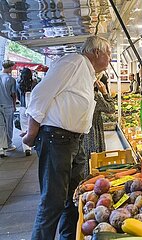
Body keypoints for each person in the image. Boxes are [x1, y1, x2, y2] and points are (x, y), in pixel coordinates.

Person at [22, 35, 111, 240]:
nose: (109, 58)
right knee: (52, 202)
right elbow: (40, 95)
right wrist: (31, 133)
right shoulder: (73, 62)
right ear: (96, 52)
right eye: (109, 53)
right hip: (57, 140)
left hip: (74, 141)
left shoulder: (88, 73)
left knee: (73, 199)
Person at [83, 73, 115, 175]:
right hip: (92, 131)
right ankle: (91, 180)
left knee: (84, 159)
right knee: (93, 158)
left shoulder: (80, 93)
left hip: (82, 130)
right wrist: (105, 93)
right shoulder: (94, 96)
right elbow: (111, 109)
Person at [16, 67, 36, 156]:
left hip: (23, 108)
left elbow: (17, 96)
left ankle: (27, 148)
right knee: (32, 127)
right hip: (32, 108)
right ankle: (33, 143)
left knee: (24, 127)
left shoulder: (18, 84)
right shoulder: (34, 83)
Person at [0, 60, 17, 154]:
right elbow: (13, 95)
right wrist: (14, 106)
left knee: (1, 126)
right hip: (8, 105)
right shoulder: (11, 79)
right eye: (12, 67)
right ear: (10, 67)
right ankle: (9, 144)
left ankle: (2, 146)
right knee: (9, 126)